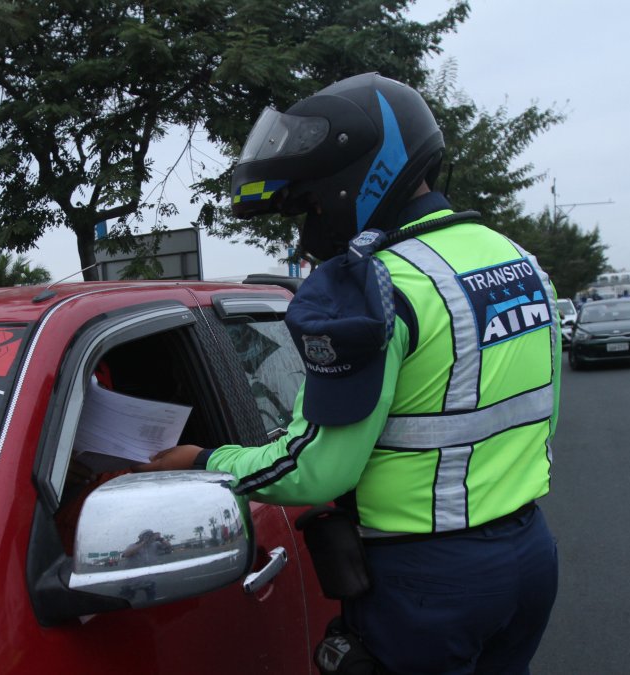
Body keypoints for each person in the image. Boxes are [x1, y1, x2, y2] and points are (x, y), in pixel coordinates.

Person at [138, 73, 560, 674]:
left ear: (356, 179)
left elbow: (314, 471)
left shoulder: (377, 290)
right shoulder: (520, 263)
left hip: (428, 584)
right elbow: (541, 413)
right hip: (529, 558)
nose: (307, 225)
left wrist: (203, 462)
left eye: (310, 202)